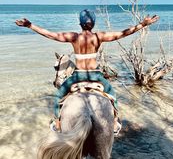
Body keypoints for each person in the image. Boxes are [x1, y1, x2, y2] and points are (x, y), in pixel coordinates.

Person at [15, 10, 159, 134]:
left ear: (80, 24)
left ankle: (58, 122)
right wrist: (143, 24)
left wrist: (30, 25)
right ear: (93, 24)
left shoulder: (74, 37)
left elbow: (51, 35)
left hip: (78, 76)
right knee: (113, 96)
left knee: (59, 95)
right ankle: (115, 121)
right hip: (95, 76)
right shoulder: (99, 37)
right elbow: (123, 34)